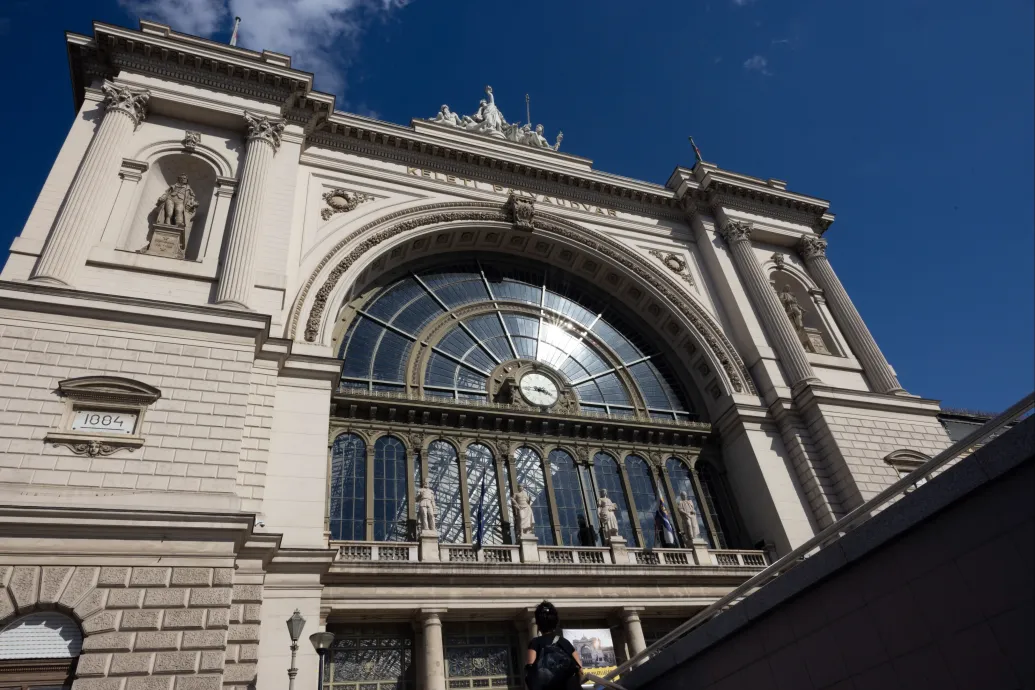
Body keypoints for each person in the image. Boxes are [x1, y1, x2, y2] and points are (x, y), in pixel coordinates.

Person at [526, 601, 582, 690]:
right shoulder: (565, 642)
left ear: (538, 624)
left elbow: (530, 670)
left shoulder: (535, 643)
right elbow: (579, 668)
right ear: (555, 622)